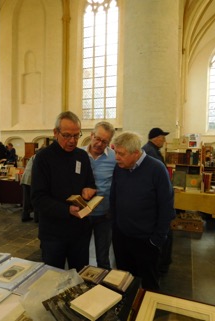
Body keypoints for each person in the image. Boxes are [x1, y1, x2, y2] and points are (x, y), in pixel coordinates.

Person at [31, 111, 97, 271]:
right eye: (67, 135)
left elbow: (90, 182)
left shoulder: (81, 156)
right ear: (55, 133)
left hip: (80, 232)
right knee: (53, 279)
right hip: (54, 233)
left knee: (79, 276)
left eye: (76, 135)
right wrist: (67, 210)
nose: (72, 141)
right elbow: (38, 199)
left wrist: (89, 190)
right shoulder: (43, 158)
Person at [110, 131, 175, 290]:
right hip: (122, 238)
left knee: (148, 283)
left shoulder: (156, 169)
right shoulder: (120, 168)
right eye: (116, 152)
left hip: (146, 240)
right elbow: (114, 198)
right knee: (125, 281)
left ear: (136, 153)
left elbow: (166, 206)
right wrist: (116, 227)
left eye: (121, 154)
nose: (116, 157)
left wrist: (157, 239)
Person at [82, 121, 116, 269]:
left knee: (103, 257)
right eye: (97, 138)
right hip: (83, 213)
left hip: (104, 215)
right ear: (91, 135)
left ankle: (104, 289)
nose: (99, 143)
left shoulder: (114, 158)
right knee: (80, 254)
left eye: (104, 141)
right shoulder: (79, 154)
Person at [142, 127, 173, 275]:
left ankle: (161, 264)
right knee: (163, 234)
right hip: (154, 203)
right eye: (162, 137)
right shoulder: (150, 151)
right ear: (155, 138)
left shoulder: (153, 150)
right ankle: (160, 266)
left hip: (157, 201)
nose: (164, 140)